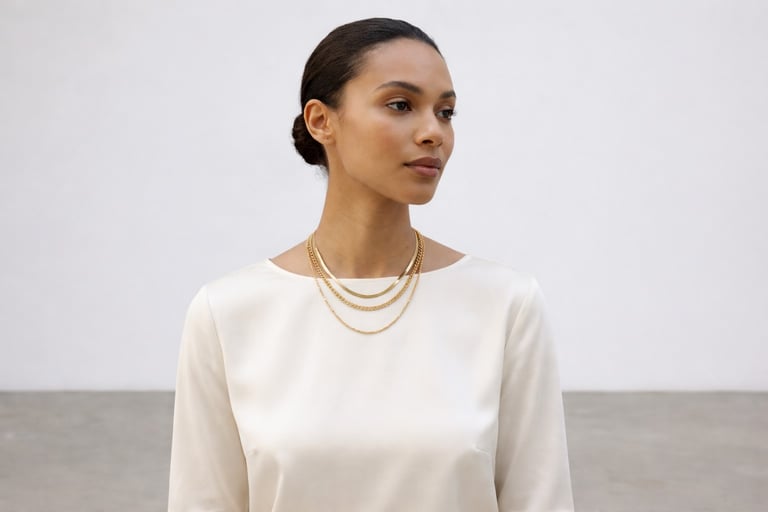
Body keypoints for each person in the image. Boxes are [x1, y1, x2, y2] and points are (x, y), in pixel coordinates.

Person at [168, 17, 574, 512]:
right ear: (322, 121)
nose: (433, 133)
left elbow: (541, 500)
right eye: (400, 105)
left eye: (446, 112)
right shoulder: (227, 313)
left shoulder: (505, 304)